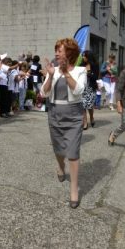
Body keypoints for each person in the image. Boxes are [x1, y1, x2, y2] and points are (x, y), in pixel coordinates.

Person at [41, 38, 86, 209]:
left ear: (69, 52)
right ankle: (60, 166)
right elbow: (43, 93)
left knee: (73, 151)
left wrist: (66, 72)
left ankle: (74, 189)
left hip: (73, 115)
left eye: (59, 50)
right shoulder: (53, 70)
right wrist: (51, 75)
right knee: (58, 147)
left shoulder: (80, 71)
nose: (56, 54)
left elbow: (79, 90)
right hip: (54, 113)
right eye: (56, 50)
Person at [81, 51, 99, 129]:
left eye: (84, 56)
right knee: (83, 106)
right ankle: (85, 123)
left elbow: (95, 77)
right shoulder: (81, 65)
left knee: (90, 106)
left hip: (91, 88)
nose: (83, 57)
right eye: (83, 56)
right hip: (83, 88)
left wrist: (88, 73)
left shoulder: (94, 65)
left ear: (88, 57)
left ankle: (91, 117)